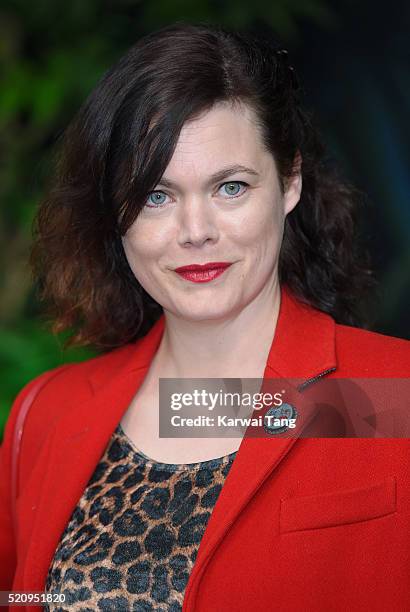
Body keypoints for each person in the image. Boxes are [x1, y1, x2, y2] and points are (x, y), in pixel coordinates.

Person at [1, 21, 409, 612]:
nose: (196, 232)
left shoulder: (391, 396)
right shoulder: (45, 415)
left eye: (231, 187)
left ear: (289, 181)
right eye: (156, 195)